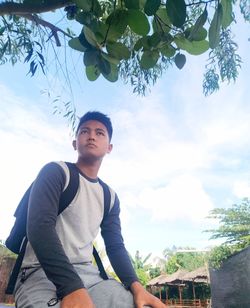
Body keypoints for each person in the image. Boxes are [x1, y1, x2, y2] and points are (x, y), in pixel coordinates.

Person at [14, 111, 166, 308]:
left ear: (109, 147)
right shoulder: (56, 172)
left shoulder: (109, 197)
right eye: (85, 131)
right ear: (75, 143)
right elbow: (39, 227)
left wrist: (137, 287)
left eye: (100, 133)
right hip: (39, 271)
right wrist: (72, 288)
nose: (92, 136)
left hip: (89, 276)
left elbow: (115, 246)